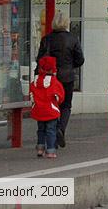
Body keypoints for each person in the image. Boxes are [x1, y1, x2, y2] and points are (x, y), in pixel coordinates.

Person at [36, 12, 84, 148]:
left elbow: (40, 59)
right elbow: (80, 59)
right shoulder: (73, 39)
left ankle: (51, 137)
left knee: (51, 105)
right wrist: (70, 66)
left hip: (50, 77)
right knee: (66, 106)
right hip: (67, 77)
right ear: (66, 23)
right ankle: (60, 129)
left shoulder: (47, 39)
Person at [29, 56, 65, 159]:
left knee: (40, 130)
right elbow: (60, 97)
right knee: (51, 130)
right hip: (50, 111)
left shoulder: (35, 82)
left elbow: (32, 95)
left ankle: (40, 149)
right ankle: (50, 151)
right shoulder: (54, 82)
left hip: (38, 110)